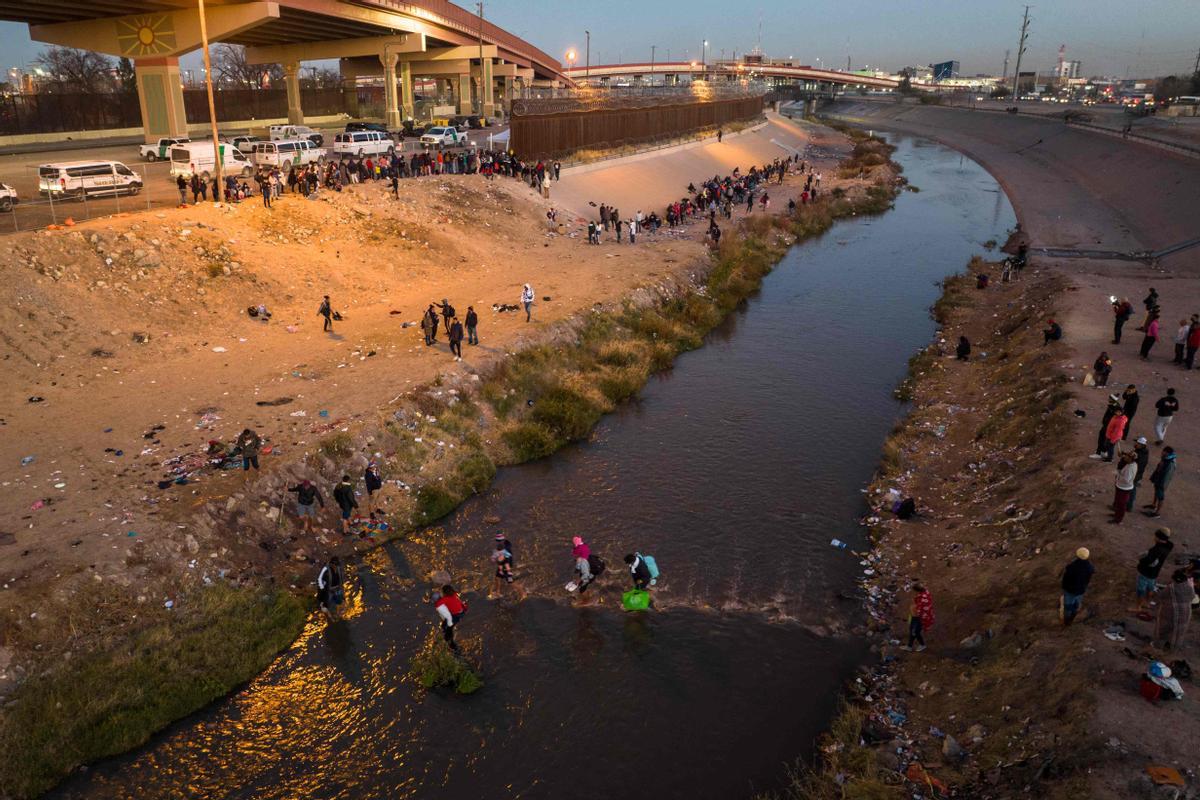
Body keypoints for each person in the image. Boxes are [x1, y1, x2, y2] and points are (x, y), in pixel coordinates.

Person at [1134, 528, 1174, 613]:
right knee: (1150, 588)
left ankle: (1138, 607)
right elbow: (1169, 542)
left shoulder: (1157, 550)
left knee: (1141, 590)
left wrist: (1141, 559)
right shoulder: (1168, 546)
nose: (1154, 537)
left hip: (1145, 572)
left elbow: (1149, 561)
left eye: (1155, 536)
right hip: (1155, 573)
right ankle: (1146, 602)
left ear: (1159, 538)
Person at [1156, 569, 1195, 652]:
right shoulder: (1189, 586)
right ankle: (1173, 647)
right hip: (1186, 612)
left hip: (1171, 612)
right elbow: (1192, 596)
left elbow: (1161, 596)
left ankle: (1159, 645)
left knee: (1164, 628)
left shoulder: (1171, 588)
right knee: (1179, 631)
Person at [1060, 548, 1094, 625]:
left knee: (1068, 605)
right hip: (1081, 590)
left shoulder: (1072, 567)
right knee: (1077, 602)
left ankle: (1067, 620)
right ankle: (1074, 613)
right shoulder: (1089, 567)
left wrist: (1064, 586)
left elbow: (1066, 578)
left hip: (1070, 590)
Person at [490, 532, 526, 600]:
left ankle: (522, 593)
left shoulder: (506, 549)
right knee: (497, 578)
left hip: (506, 568)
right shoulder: (503, 546)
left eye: (499, 541)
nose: (498, 542)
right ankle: (498, 592)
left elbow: (505, 558)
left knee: (510, 582)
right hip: (502, 566)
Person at [1144, 446, 1176, 517]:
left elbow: (1166, 475)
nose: (1162, 453)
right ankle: (1154, 505)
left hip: (1161, 482)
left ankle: (1157, 513)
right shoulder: (1167, 459)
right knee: (1157, 492)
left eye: (1163, 452)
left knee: (1160, 496)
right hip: (1158, 480)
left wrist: (1161, 483)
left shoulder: (1169, 462)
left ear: (1167, 453)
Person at [434, 584, 467, 651]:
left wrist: (434, 599)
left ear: (444, 593)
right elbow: (461, 604)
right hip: (460, 613)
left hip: (455, 616)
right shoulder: (455, 595)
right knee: (447, 624)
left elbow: (437, 604)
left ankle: (451, 644)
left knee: (449, 628)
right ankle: (445, 630)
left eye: (441, 592)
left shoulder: (445, 599)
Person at [905, 583, 934, 652]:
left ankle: (922, 645)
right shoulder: (925, 593)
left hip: (919, 618)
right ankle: (909, 646)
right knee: (912, 630)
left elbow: (920, 611)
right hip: (916, 616)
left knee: (915, 632)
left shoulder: (923, 599)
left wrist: (914, 610)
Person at [1111, 451, 1137, 524]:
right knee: (1119, 503)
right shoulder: (1133, 464)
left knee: (1121, 504)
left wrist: (1118, 474)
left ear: (1130, 458)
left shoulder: (1130, 468)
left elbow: (1126, 480)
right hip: (1123, 486)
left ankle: (1118, 519)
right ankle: (1116, 515)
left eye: (1127, 456)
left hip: (1124, 487)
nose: (1125, 457)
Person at [1128, 437, 1150, 511]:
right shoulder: (1141, 452)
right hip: (1137, 474)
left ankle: (1129, 506)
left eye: (1137, 443)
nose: (1135, 444)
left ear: (1141, 444)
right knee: (1131, 489)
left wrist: (1131, 458)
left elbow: (1138, 464)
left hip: (1135, 474)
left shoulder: (1140, 454)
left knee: (1131, 490)